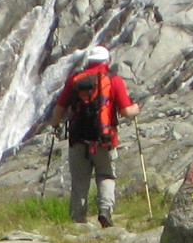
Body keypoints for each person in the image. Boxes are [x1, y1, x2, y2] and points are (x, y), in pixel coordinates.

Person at [50, 45, 139, 227]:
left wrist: (54, 124)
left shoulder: (74, 80)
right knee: (105, 175)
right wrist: (136, 108)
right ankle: (105, 210)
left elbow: (59, 109)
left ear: (89, 61)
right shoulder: (113, 80)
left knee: (80, 180)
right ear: (107, 61)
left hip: (78, 140)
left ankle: (77, 220)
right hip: (104, 139)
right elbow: (126, 111)